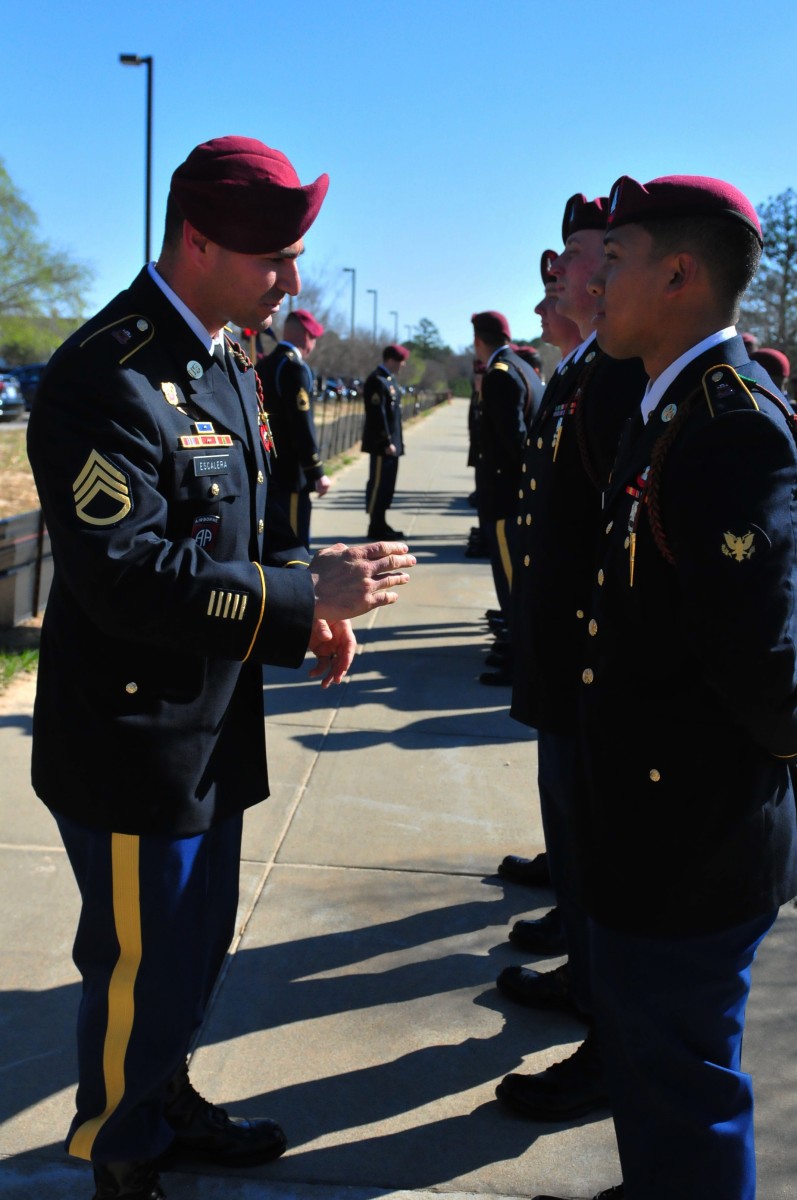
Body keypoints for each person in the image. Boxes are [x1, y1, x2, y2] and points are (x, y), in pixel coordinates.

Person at [26, 135, 416, 1200]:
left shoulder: (220, 356)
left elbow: (237, 525)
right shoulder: (103, 376)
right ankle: (118, 1149)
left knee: (192, 957)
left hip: (210, 715)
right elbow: (128, 577)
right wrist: (297, 604)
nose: (290, 280)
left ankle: (165, 1097)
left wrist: (305, 594)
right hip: (132, 738)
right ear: (196, 242)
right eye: (273, 259)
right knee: (138, 971)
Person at [557, 173, 797, 1200]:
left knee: (687, 1090)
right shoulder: (667, 410)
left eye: (611, 264)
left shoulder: (727, 425)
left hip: (687, 836)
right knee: (657, 1085)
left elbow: (764, 666)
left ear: (678, 275)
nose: (593, 284)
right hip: (645, 822)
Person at [495, 197, 647, 1127]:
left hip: (587, 655)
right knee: (575, 840)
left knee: (595, 845)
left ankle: (599, 1014)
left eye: (585, 255)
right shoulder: (584, 369)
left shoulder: (621, 376)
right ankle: (585, 978)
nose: (562, 272)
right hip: (559, 647)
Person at [471, 310, 543, 686]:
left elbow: (512, 441)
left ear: (478, 340)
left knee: (512, 585)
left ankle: (520, 661)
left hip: (504, 496)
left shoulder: (501, 374)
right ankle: (516, 648)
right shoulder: (519, 365)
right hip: (512, 494)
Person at [256, 307, 330, 546]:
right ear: (307, 336)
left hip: (268, 469)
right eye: (314, 338)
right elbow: (301, 424)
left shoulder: (265, 365)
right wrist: (315, 470)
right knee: (294, 545)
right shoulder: (295, 369)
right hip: (291, 473)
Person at [362, 343, 410, 538]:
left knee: (388, 486)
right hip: (382, 446)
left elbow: (394, 416)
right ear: (390, 359)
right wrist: (386, 441)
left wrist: (398, 441)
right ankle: (375, 525)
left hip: (393, 445)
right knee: (378, 485)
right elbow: (377, 415)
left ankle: (381, 522)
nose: (403, 365)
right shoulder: (377, 380)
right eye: (400, 361)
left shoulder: (390, 381)